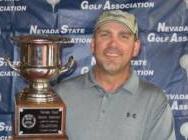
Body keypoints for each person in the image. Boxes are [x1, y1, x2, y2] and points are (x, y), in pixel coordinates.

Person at [55, 10, 176, 140]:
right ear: (93, 44)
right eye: (105, 35)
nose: (113, 44)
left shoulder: (154, 100)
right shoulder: (61, 94)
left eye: (123, 36)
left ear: (135, 48)